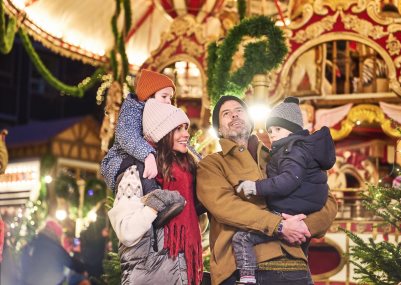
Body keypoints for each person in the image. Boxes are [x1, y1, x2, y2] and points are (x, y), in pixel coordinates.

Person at [196, 95, 338, 285]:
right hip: (240, 267)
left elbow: (327, 200)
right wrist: (280, 225)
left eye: (239, 111)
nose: (234, 116)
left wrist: (304, 226)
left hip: (293, 264)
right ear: (219, 128)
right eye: (226, 114)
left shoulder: (282, 155)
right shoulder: (212, 165)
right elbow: (225, 206)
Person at [107, 99, 203, 285]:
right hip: (152, 274)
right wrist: (155, 204)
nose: (186, 134)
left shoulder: (187, 170)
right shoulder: (136, 171)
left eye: (186, 128)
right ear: (163, 133)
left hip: (183, 272)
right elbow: (127, 231)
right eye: (178, 129)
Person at [100, 69, 175, 191]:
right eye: (164, 96)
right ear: (148, 95)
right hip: (121, 161)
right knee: (140, 163)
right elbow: (126, 135)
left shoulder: (163, 117)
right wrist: (147, 155)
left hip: (147, 159)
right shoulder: (132, 110)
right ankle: (154, 195)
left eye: (170, 97)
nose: (168, 101)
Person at [19, 219, 80, 285]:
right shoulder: (53, 248)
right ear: (57, 234)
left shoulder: (32, 243)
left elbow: (23, 266)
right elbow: (67, 265)